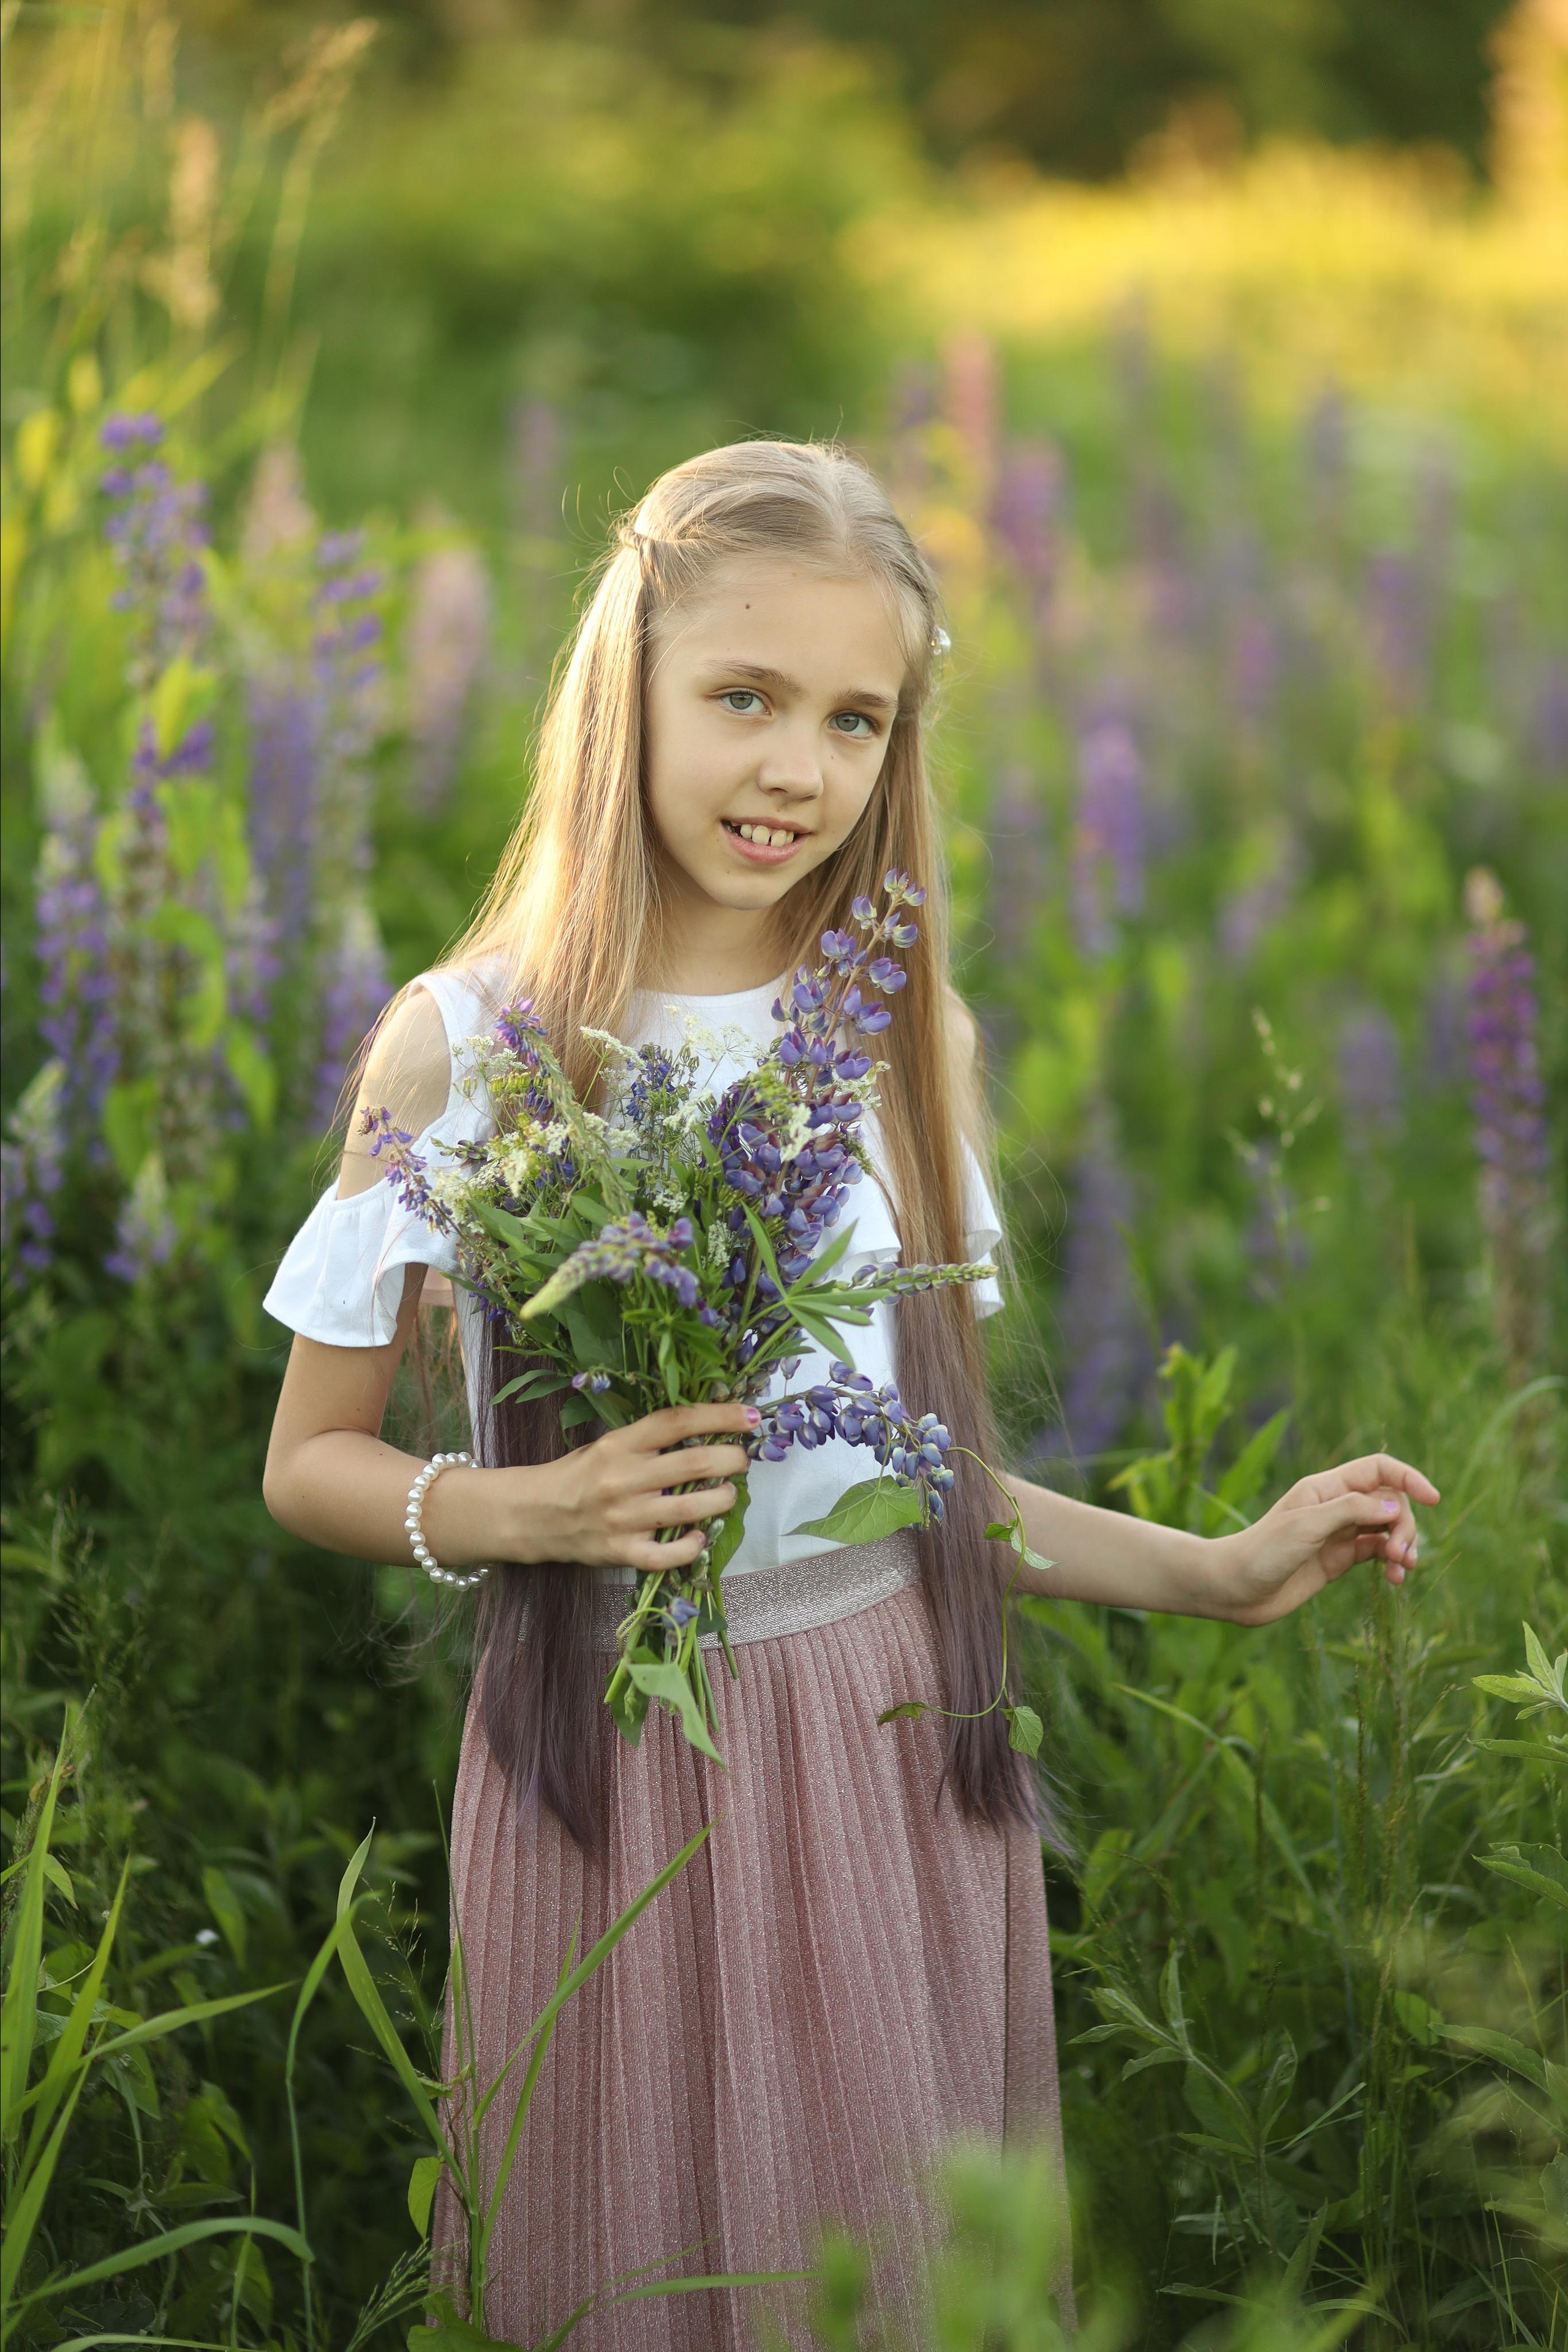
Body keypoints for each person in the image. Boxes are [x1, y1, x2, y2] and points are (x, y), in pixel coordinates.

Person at [260, 439, 1437, 2348]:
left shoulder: (899, 1043)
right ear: (619, 692)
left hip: (886, 1744)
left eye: (856, 718)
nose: (798, 767)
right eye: (742, 698)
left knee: (884, 2287)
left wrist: (1219, 1567)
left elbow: (920, 1477)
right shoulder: (467, 1042)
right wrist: (518, 1511)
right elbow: (308, 1461)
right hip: (608, 1782)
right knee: (624, 2266)